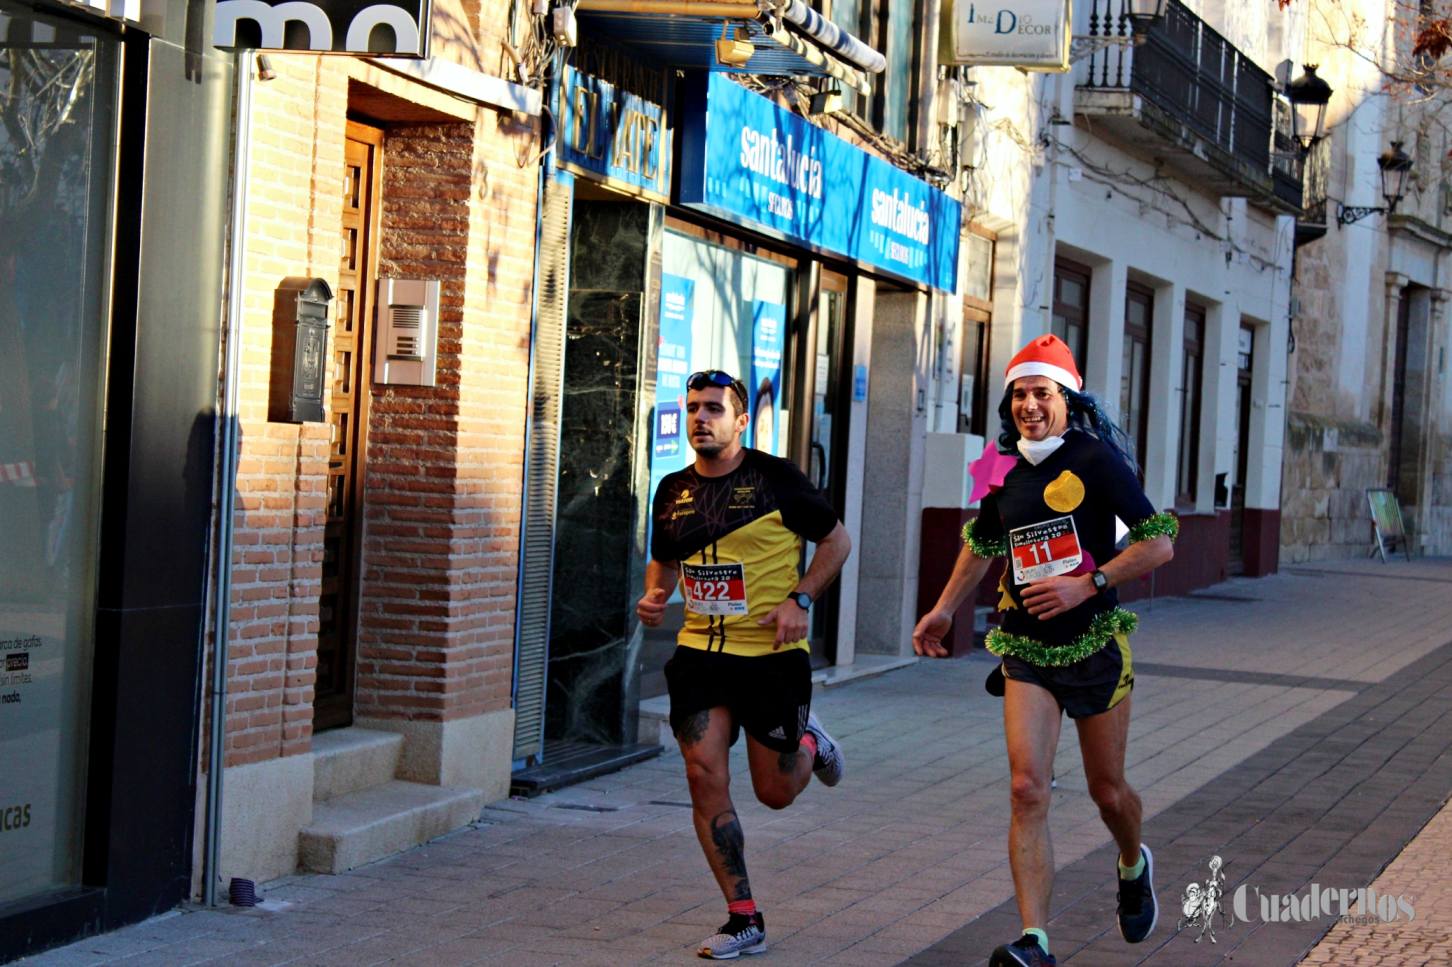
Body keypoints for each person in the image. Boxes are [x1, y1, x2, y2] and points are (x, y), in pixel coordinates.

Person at [912, 335, 1177, 967]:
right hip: (1025, 644)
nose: (1030, 405)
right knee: (1027, 787)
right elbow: (981, 542)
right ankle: (1037, 941)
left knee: (1107, 792)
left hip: (1094, 645)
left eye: (1043, 393)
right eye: (1020, 394)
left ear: (1067, 398)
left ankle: (1133, 862)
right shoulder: (1000, 466)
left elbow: (1159, 542)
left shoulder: (1096, 459)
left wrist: (1089, 582)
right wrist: (944, 609)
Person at [637, 368, 852, 960]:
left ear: (740, 419)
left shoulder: (775, 479)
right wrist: (657, 593)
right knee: (702, 772)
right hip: (701, 654)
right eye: (694, 409)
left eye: (714, 409)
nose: (701, 418)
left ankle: (809, 745)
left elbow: (837, 541)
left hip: (771, 660)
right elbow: (664, 561)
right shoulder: (672, 489)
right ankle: (743, 916)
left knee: (775, 792)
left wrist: (800, 598)